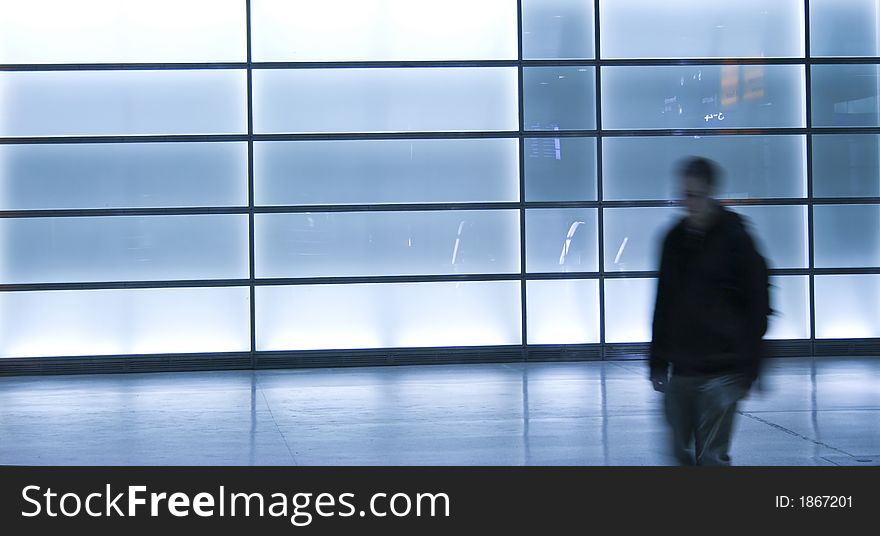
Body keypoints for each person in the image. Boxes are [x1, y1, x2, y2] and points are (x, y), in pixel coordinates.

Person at [649, 156, 771, 466]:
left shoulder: (734, 237)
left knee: (711, 457)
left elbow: (757, 302)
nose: (688, 203)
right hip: (684, 368)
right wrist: (658, 361)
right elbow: (664, 301)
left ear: (710, 193)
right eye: (685, 194)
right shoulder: (675, 240)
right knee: (680, 451)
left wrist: (750, 367)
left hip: (723, 369)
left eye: (695, 195)